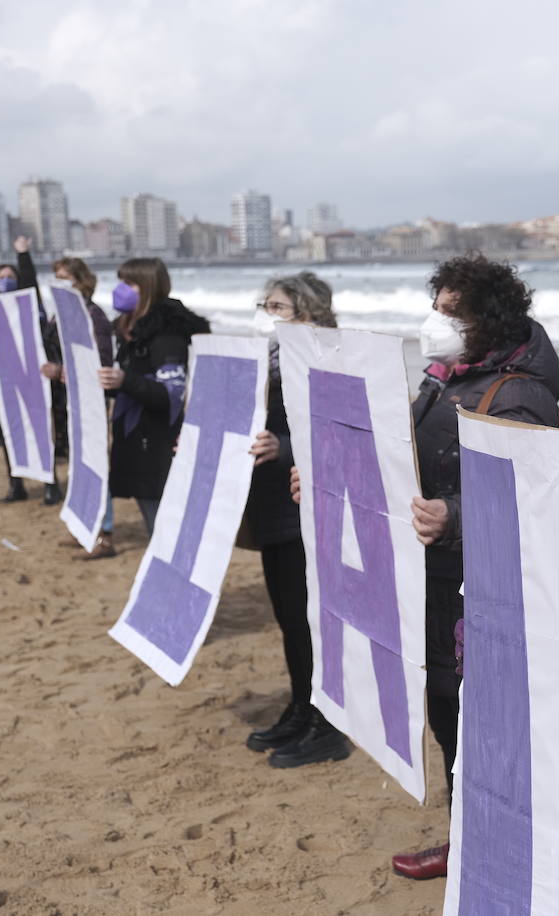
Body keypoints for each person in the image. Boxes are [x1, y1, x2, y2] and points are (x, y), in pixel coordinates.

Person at [391, 253, 559, 880]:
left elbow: (529, 497)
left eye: (450, 313)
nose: (436, 322)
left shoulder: (517, 393)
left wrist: (453, 517)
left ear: (486, 321)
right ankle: (468, 834)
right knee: (445, 707)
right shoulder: (446, 374)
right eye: (436, 308)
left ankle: (489, 842)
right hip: (437, 576)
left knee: (478, 716)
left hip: (480, 586)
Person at [242, 272, 353, 769]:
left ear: (309, 312)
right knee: (288, 618)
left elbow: (339, 433)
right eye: (267, 305)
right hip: (270, 502)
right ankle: (300, 707)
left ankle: (326, 725)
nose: (269, 314)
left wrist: (282, 448)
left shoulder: (327, 360)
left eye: (279, 306)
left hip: (302, 504)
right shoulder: (267, 361)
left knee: (309, 619)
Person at [98, 257, 209, 538]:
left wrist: (125, 380)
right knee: (152, 519)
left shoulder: (166, 334)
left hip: (156, 444)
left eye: (129, 283)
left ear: (148, 287)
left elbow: (169, 395)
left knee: (165, 524)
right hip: (135, 441)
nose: (120, 289)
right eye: (121, 281)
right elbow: (131, 380)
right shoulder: (131, 332)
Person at [0, 236, 62, 504]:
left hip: (31, 376)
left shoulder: (28, 303)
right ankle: (15, 485)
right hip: (3, 379)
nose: (6, 280)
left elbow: (31, 280)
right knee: (11, 428)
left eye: (11, 276)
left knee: (39, 427)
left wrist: (23, 254)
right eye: (2, 276)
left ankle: (51, 483)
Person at [41, 257, 118, 560]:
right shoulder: (60, 315)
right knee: (78, 463)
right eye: (57, 278)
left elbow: (99, 363)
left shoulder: (93, 316)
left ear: (81, 280)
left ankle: (105, 532)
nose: (61, 283)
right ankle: (85, 523)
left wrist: (60, 371)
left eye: (66, 278)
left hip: (90, 402)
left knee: (96, 461)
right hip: (66, 400)